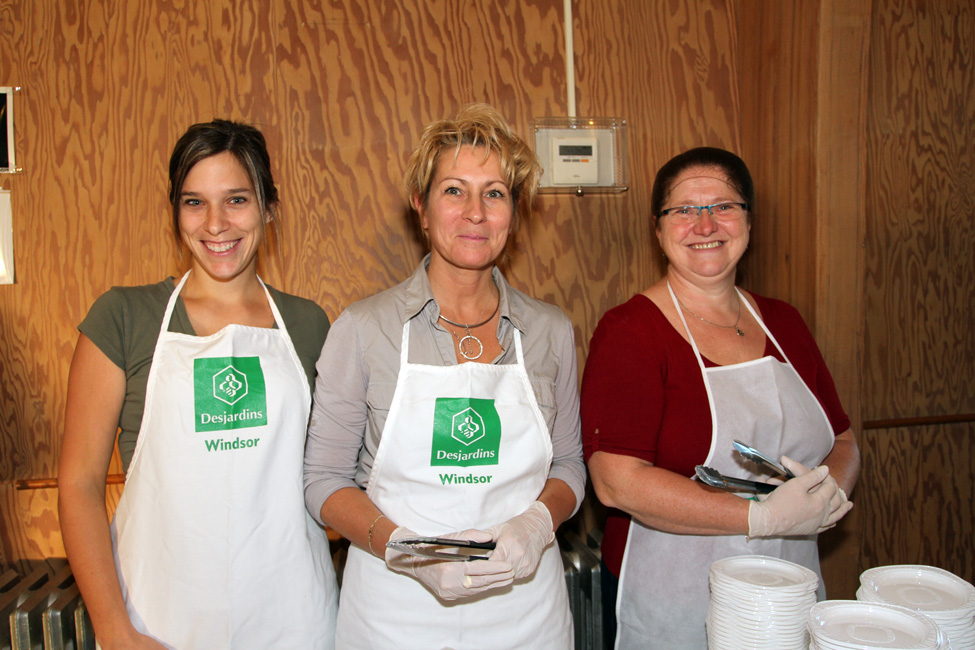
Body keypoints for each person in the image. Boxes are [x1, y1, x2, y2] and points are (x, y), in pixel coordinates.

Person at [303, 103, 585, 649]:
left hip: (527, 617)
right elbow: (323, 481)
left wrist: (535, 525)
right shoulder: (363, 330)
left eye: (495, 193)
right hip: (393, 617)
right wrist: (408, 551)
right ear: (422, 208)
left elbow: (570, 465)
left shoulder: (550, 331)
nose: (475, 212)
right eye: (454, 190)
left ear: (514, 211)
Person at [58, 119, 338, 650]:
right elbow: (77, 486)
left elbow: (328, 473)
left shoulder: (308, 325)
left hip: (293, 619)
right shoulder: (123, 317)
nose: (215, 224)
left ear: (269, 208)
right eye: (194, 202)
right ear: (174, 212)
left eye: (236, 200)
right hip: (157, 623)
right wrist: (116, 632)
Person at [580, 146, 860, 649]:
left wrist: (826, 497)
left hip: (788, 584)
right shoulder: (631, 332)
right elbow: (615, 482)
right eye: (684, 209)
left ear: (749, 222)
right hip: (673, 596)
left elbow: (841, 440)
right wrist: (762, 516)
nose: (705, 224)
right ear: (659, 228)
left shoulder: (785, 323)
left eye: (724, 206)